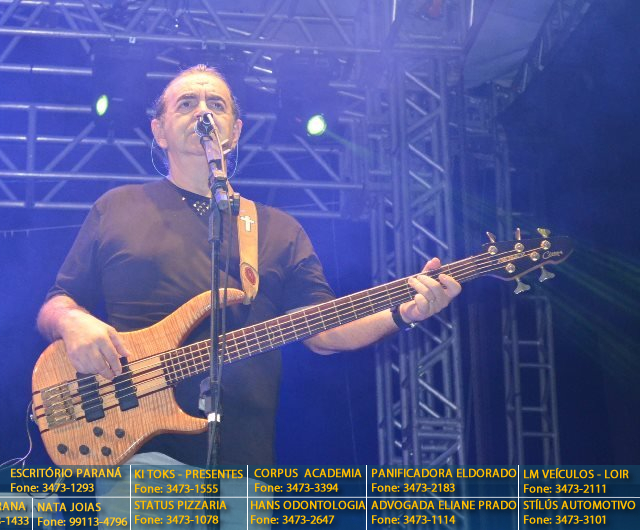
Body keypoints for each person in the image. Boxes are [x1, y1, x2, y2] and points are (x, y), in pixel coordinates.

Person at [37, 64, 461, 467]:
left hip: (244, 460)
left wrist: (402, 312)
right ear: (159, 131)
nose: (202, 111)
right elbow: (57, 302)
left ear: (235, 131)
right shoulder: (118, 207)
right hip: (137, 453)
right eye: (186, 103)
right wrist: (72, 322)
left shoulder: (278, 229)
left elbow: (323, 331)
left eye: (216, 104)